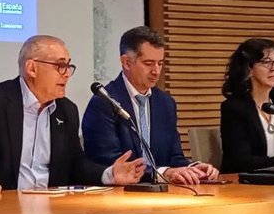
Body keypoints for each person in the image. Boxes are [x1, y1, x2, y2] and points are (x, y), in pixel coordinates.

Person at [0, 35, 144, 194]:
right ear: (32, 68)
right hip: (0, 207)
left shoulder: (67, 110)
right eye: (60, 65)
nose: (67, 74)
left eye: (68, 66)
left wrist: (109, 174)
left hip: (52, 210)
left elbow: (75, 163)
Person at [82, 26, 219, 185]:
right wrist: (162, 174)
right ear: (126, 62)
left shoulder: (166, 103)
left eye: (160, 63)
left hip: (162, 194)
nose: (156, 71)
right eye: (149, 63)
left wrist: (193, 168)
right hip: (120, 194)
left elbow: (174, 157)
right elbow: (109, 162)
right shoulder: (104, 102)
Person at [220, 38, 274, 173]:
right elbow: (240, 161)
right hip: (246, 185)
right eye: (266, 62)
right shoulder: (234, 108)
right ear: (249, 69)